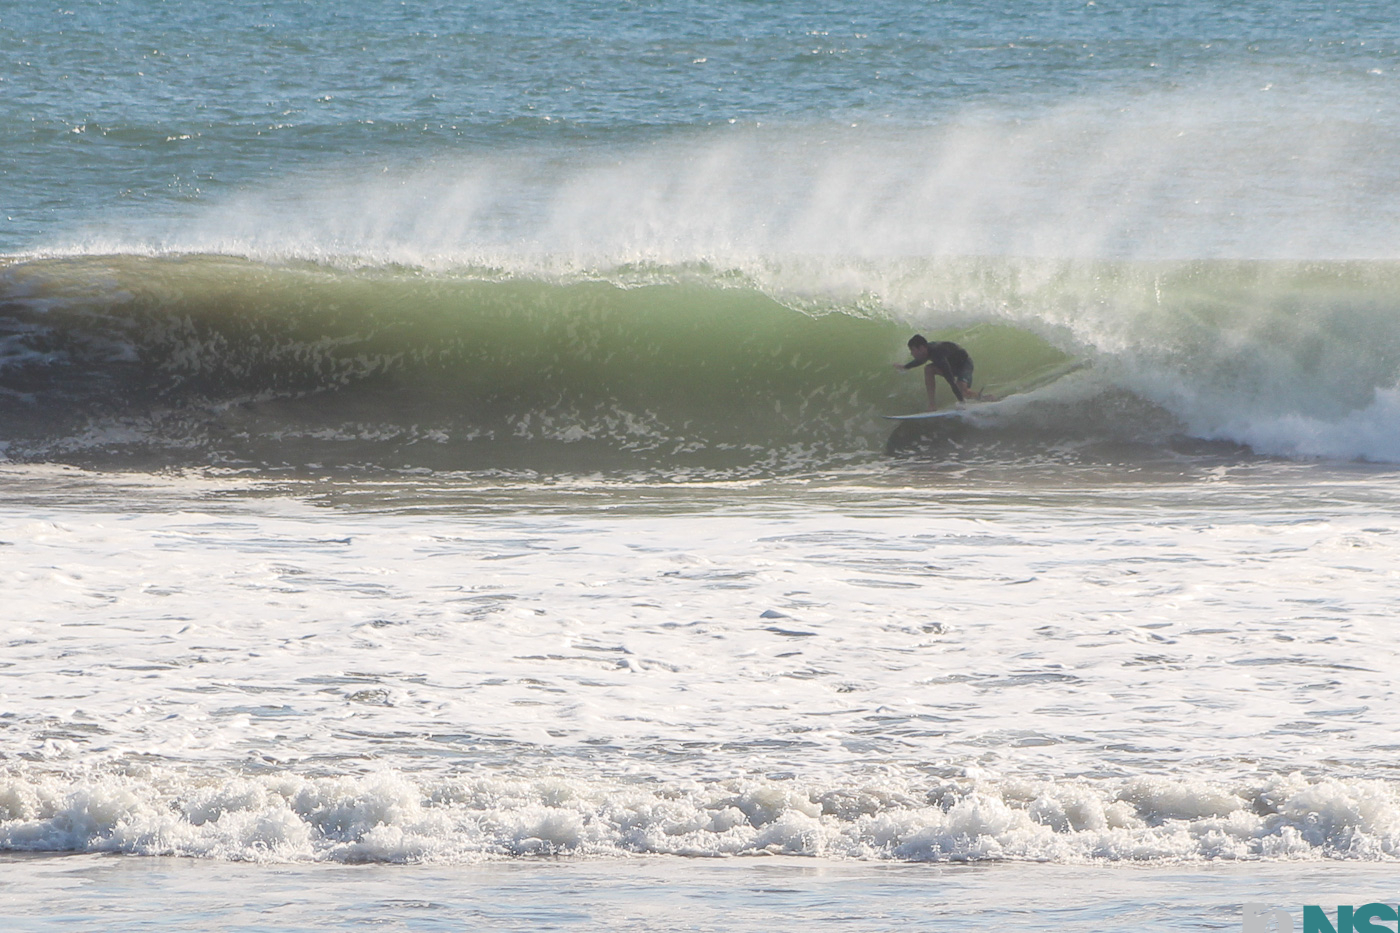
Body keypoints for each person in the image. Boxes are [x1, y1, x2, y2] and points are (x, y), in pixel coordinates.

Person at [894, 335, 985, 409]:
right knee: (928, 369)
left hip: (964, 364)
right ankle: (932, 405)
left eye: (912, 350)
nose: (912, 353)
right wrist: (905, 367)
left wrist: (962, 403)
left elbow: (951, 381)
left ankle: (986, 398)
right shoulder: (927, 350)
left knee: (963, 392)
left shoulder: (938, 354)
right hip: (952, 364)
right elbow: (920, 360)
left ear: (921, 348)